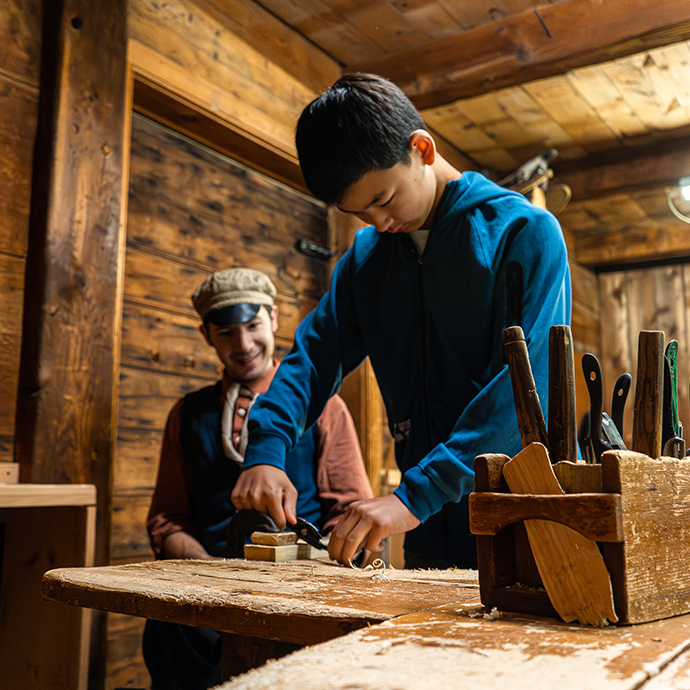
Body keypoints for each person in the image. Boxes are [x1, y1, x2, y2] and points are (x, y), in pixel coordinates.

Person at [232, 72, 571, 570]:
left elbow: (524, 392)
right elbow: (313, 358)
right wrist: (266, 446)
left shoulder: (524, 233)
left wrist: (415, 495)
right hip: (426, 524)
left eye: (384, 199)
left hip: (523, 510)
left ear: (422, 149)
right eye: (361, 213)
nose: (379, 223)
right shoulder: (365, 261)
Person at [143, 267, 373, 690]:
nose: (244, 345)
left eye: (253, 326)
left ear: (275, 317)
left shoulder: (325, 407)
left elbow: (347, 509)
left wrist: (308, 580)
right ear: (206, 334)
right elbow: (168, 520)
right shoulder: (187, 414)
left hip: (299, 600)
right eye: (227, 333)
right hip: (203, 597)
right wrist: (213, 581)